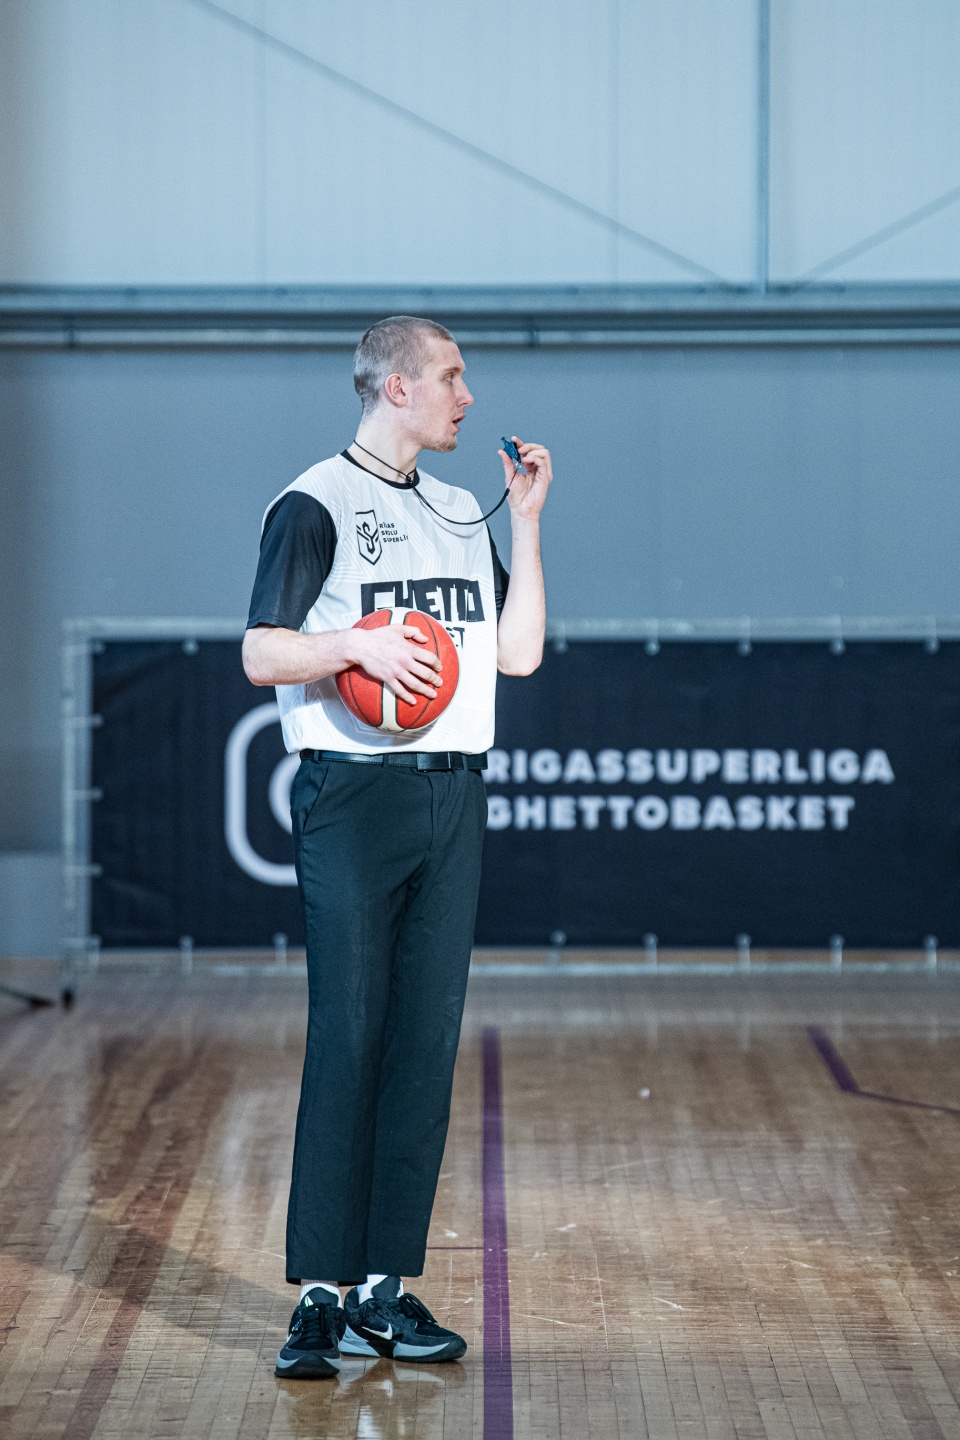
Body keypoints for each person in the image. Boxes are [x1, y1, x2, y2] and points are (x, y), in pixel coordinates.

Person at [242, 316, 551, 1379]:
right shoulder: (314, 502)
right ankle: (318, 1299)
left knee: (425, 1042)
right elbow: (260, 653)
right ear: (397, 387)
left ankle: (382, 1289)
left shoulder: (464, 512)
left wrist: (529, 527)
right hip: (353, 793)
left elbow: (519, 653)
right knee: (350, 1032)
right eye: (453, 377)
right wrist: (354, 646)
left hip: (453, 794)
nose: (468, 396)